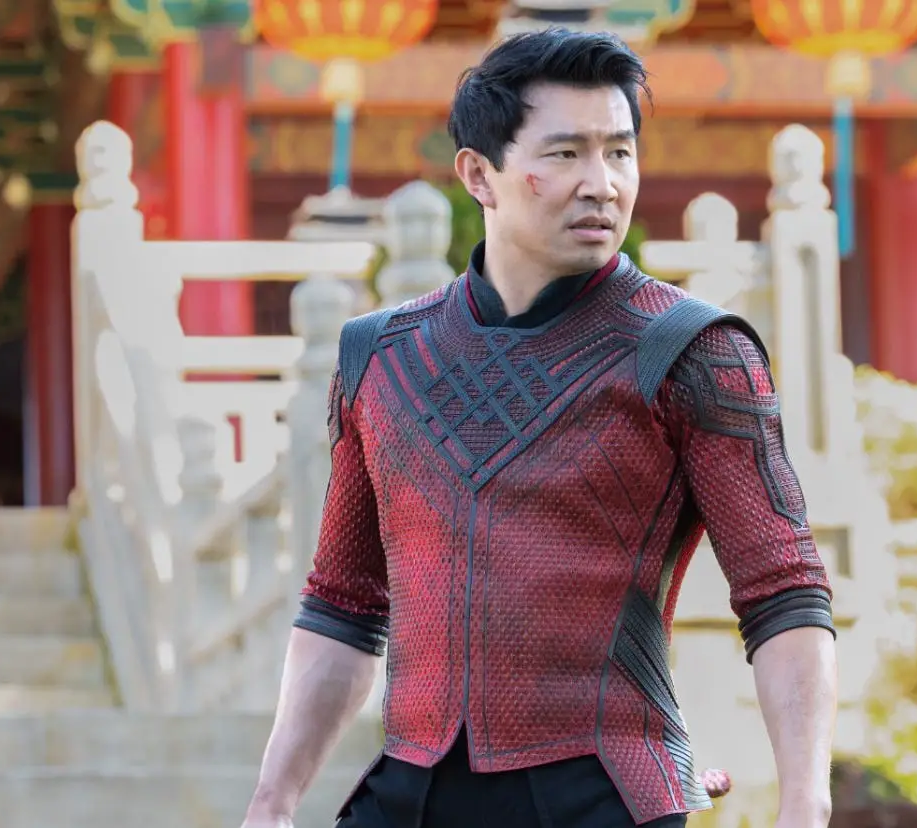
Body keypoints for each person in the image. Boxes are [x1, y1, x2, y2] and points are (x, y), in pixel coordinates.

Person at [241, 27, 837, 828]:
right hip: (408, 792)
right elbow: (344, 606)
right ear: (478, 175)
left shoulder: (694, 352)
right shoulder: (378, 357)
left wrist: (804, 803)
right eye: (565, 154)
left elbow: (784, 592)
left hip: (606, 795)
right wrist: (272, 803)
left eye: (620, 152)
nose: (602, 184)